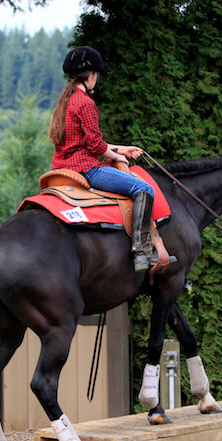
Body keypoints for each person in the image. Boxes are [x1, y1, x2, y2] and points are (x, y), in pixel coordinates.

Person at [48, 45, 156, 272]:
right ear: (90, 75)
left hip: (60, 168)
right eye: (96, 75)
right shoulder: (85, 103)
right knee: (144, 189)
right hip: (86, 169)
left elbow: (83, 141)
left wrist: (121, 149)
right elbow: (95, 146)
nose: (96, 79)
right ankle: (142, 253)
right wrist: (118, 156)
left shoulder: (64, 102)